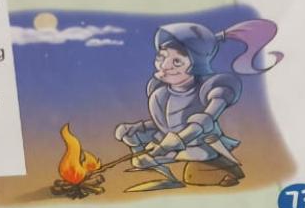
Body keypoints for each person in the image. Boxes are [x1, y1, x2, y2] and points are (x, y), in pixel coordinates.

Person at [114, 20, 283, 192]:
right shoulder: (160, 92)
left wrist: (173, 142)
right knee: (137, 147)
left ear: (196, 64)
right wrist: (137, 130)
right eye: (161, 57)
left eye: (177, 62)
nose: (164, 66)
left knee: (195, 174)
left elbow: (203, 123)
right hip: (168, 145)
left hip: (201, 145)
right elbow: (164, 125)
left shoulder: (213, 88)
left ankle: (223, 173)